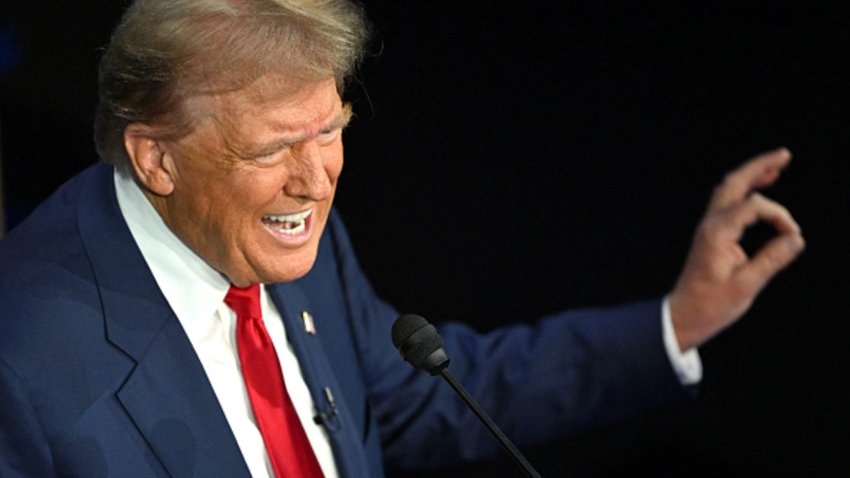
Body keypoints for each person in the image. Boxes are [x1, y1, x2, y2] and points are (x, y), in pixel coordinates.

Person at [0, 0, 805, 477]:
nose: (315, 181)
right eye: (274, 148)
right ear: (156, 157)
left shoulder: (280, 231)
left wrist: (680, 320)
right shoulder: (23, 362)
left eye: (331, 131)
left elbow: (413, 399)